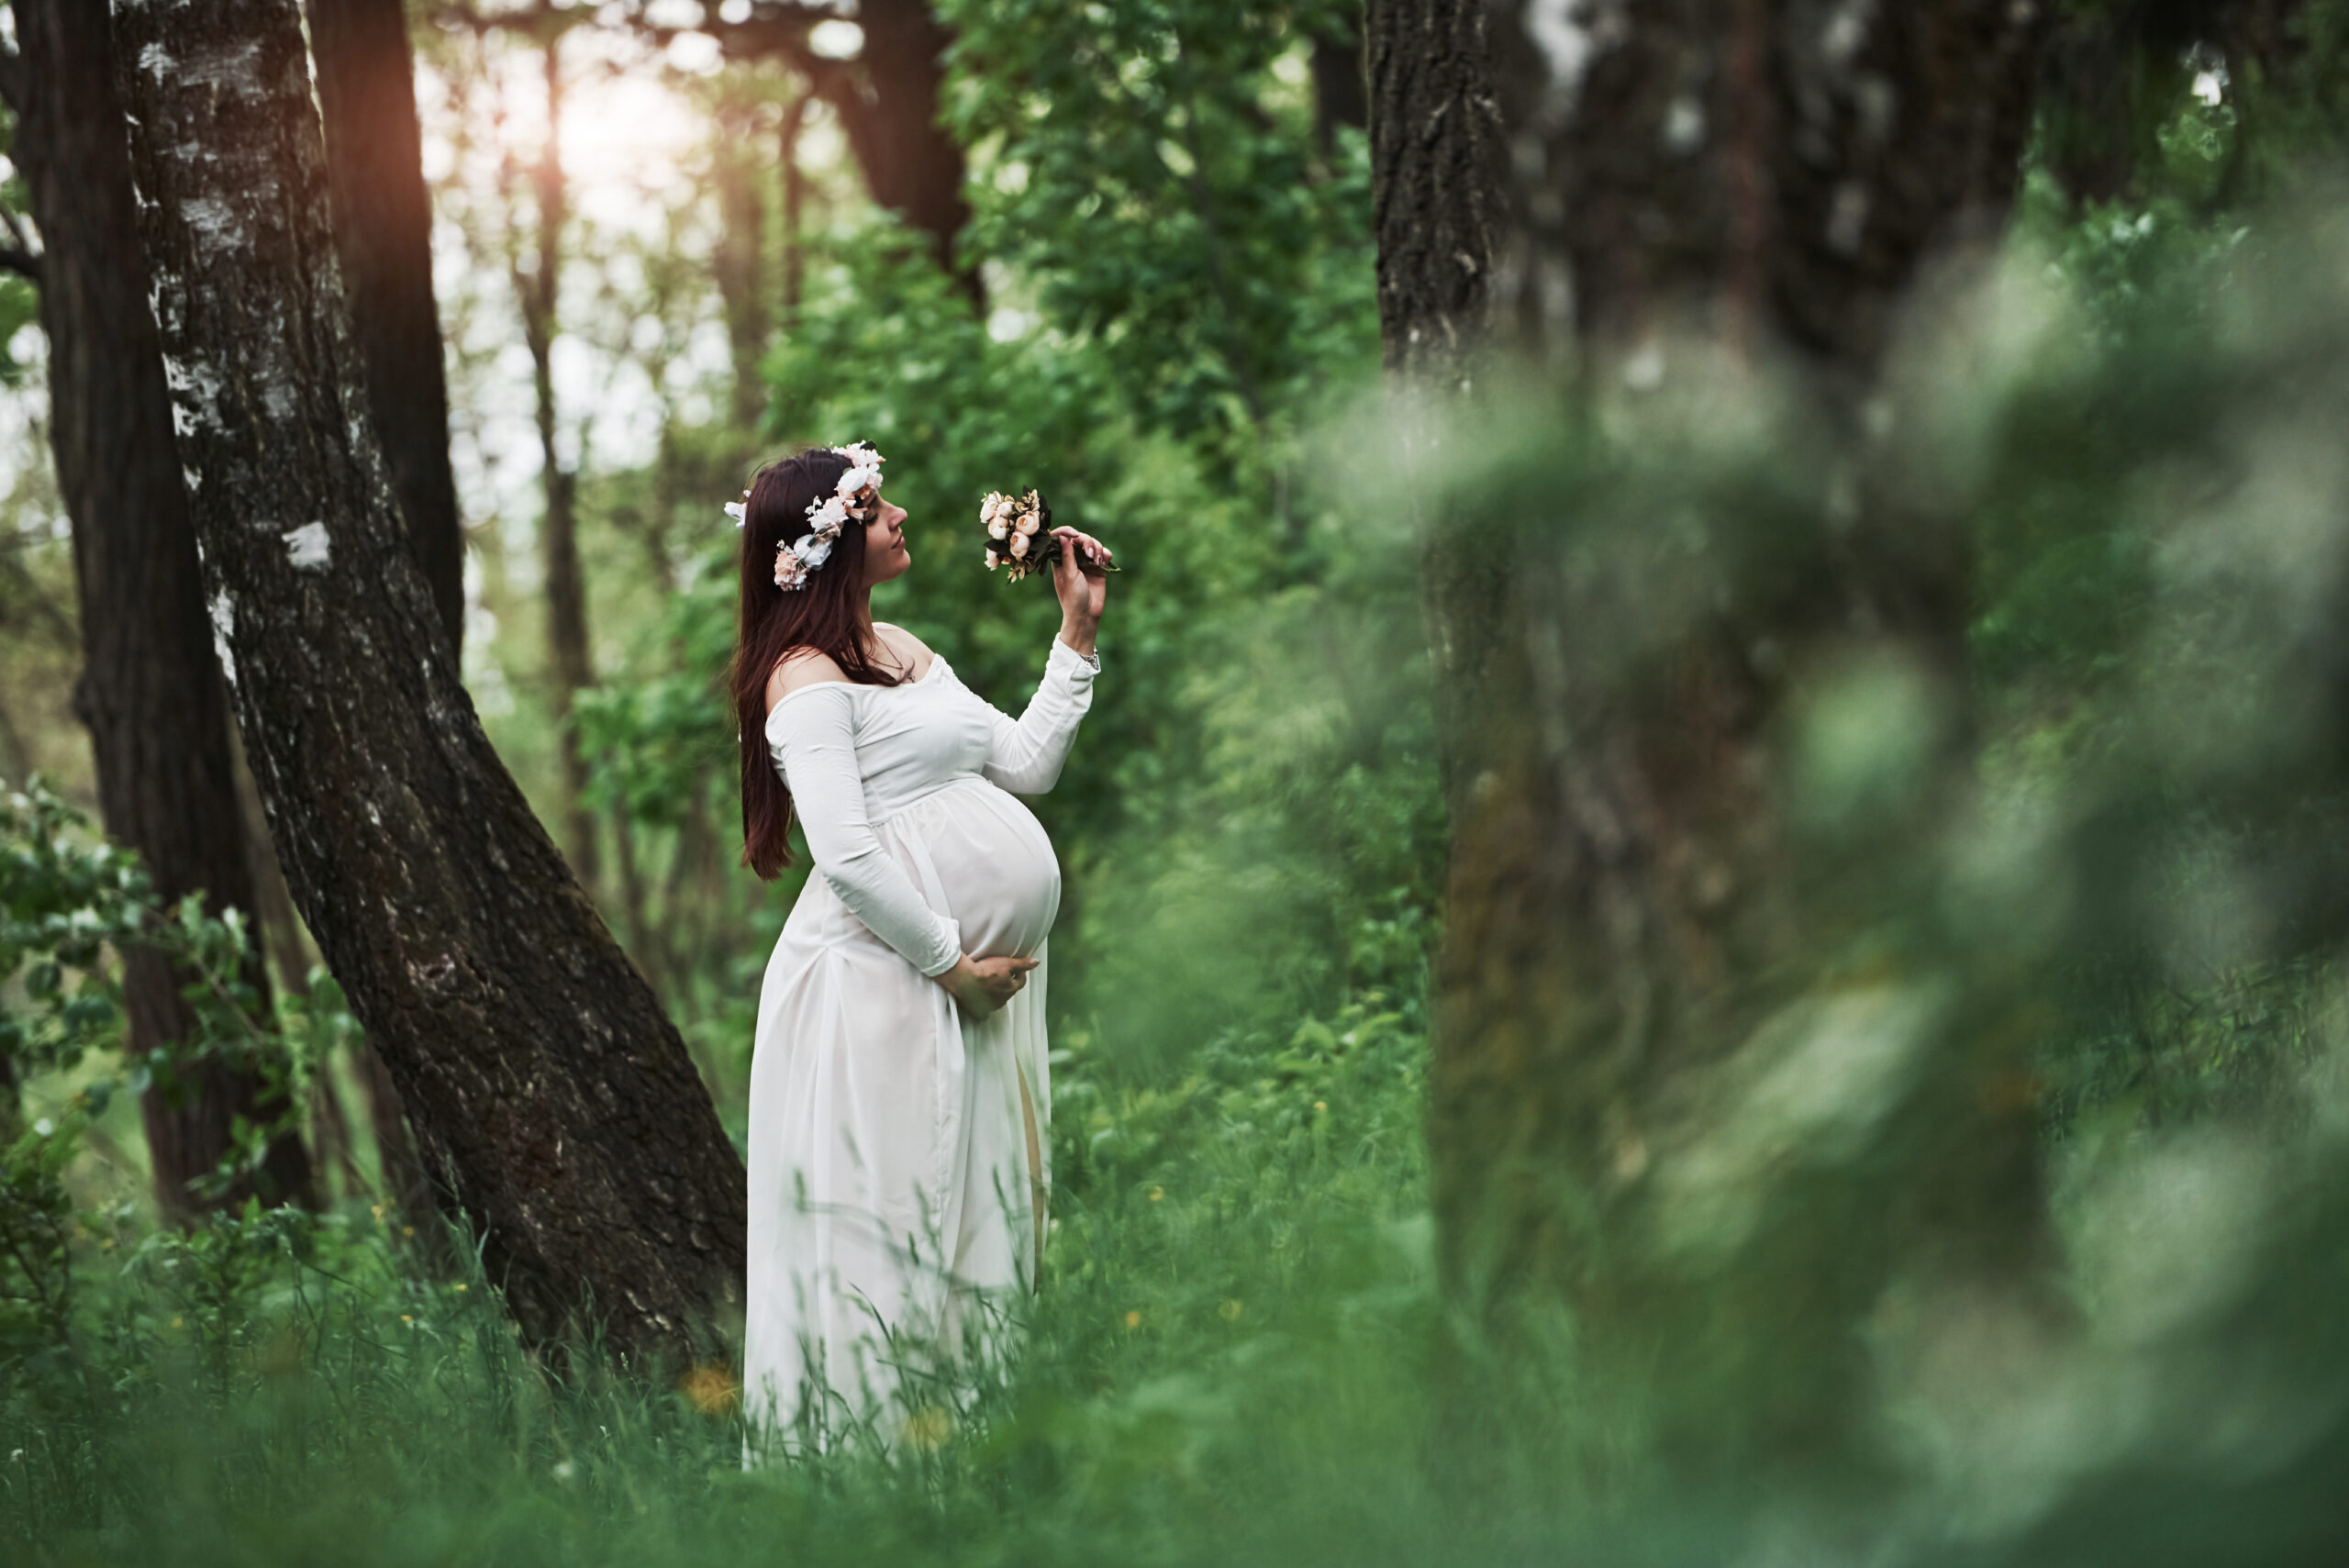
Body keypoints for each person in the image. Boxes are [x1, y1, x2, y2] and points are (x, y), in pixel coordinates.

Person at [729, 442, 1112, 1456]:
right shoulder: (802, 682)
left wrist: (1074, 633)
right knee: (898, 1214)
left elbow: (1025, 765)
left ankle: (972, 1452)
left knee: (974, 1210)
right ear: (828, 539)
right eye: (874, 504)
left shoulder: (899, 644)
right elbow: (846, 854)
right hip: (883, 989)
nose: (897, 514)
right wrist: (951, 963)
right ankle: (870, 1470)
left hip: (964, 992)